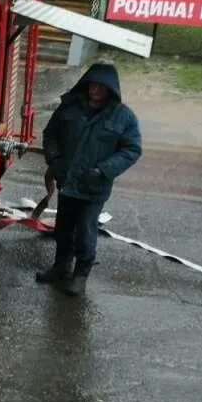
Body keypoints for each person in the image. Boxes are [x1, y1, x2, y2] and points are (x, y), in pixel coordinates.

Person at [36, 62, 142, 296]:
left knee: (85, 230)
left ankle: (80, 274)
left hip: (94, 187)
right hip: (67, 182)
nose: (96, 90)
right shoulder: (69, 108)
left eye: (102, 87)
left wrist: (103, 170)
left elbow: (132, 149)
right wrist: (54, 160)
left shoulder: (123, 117)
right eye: (93, 85)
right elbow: (51, 134)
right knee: (63, 228)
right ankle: (61, 266)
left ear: (110, 90)